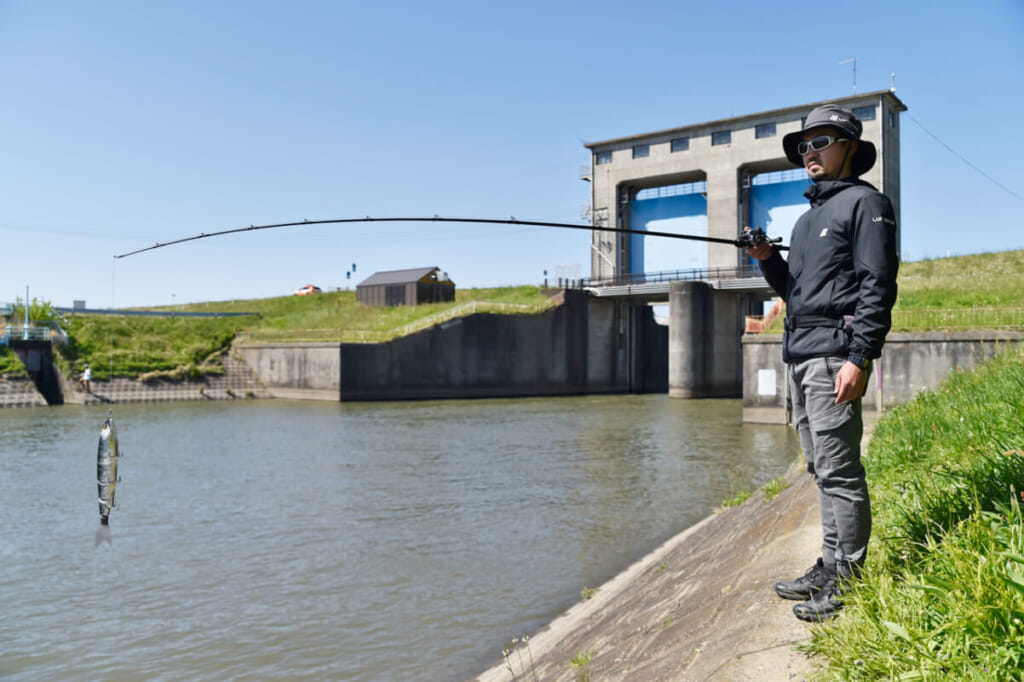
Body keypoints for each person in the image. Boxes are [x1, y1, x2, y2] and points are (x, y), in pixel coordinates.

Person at [744, 104, 899, 622]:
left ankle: (849, 579)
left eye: (821, 141)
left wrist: (860, 356)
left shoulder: (867, 204)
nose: (809, 152)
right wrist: (769, 261)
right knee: (820, 468)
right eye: (803, 146)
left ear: (850, 146)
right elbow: (796, 292)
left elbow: (878, 286)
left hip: (835, 358)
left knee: (841, 471)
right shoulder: (808, 219)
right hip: (801, 357)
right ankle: (830, 565)